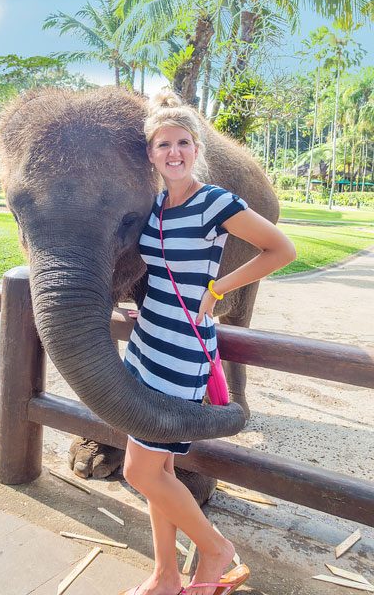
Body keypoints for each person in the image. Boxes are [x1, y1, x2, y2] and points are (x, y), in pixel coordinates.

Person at [122, 90, 296, 595]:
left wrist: (219, 289)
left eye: (181, 143)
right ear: (150, 154)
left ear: (196, 148)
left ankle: (217, 550)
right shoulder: (156, 205)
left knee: (140, 470)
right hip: (146, 338)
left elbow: (281, 248)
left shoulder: (213, 201)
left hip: (183, 349)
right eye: (162, 145)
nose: (172, 153)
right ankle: (165, 574)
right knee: (162, 468)